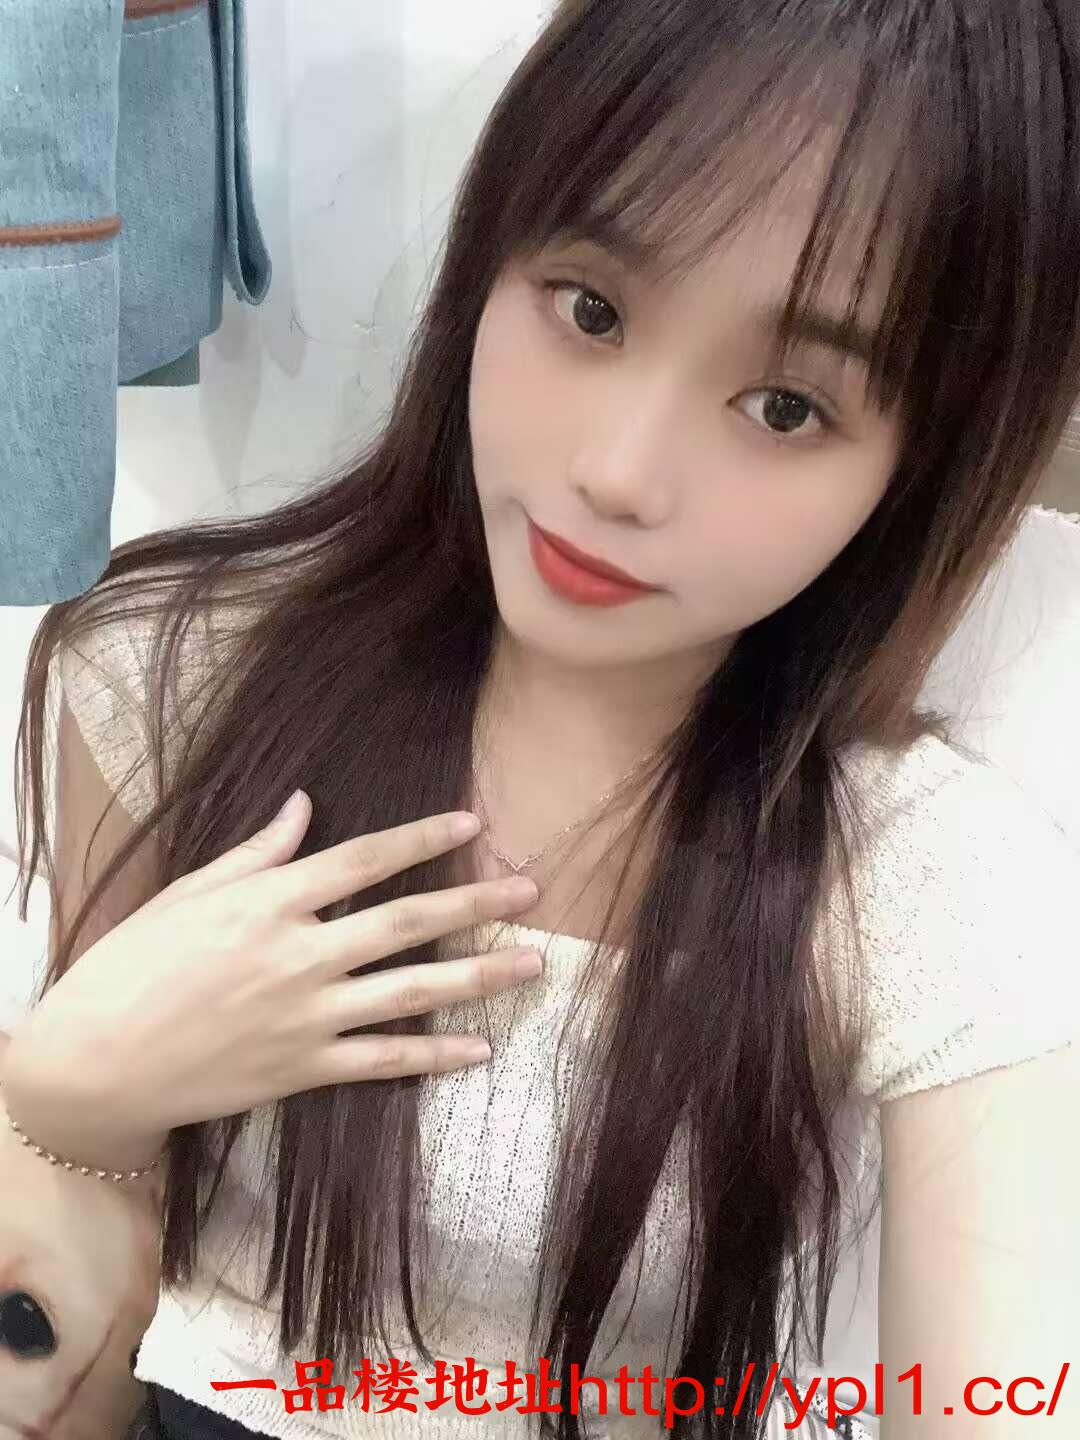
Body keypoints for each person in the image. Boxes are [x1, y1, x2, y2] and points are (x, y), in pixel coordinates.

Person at [3, 0, 1080, 1436]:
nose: (619, 472)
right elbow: (67, 1359)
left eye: (785, 407)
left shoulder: (928, 885)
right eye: (591, 309)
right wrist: (67, 1108)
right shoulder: (172, 680)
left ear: (919, 470)